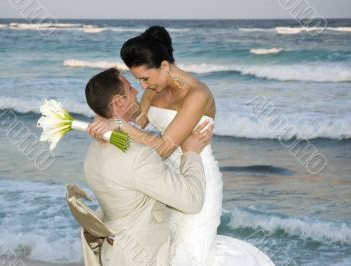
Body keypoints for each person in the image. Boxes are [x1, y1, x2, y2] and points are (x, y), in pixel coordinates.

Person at [87, 26, 275, 266]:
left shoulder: (197, 94)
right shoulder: (156, 88)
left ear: (164, 66)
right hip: (165, 182)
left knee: (193, 254)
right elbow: (133, 119)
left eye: (145, 78)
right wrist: (103, 120)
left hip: (198, 179)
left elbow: (164, 148)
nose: (142, 86)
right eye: (137, 81)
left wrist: (118, 127)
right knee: (171, 252)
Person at [83, 68, 213, 266]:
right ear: (119, 102)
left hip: (115, 252)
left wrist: (118, 123)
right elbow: (192, 201)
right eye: (130, 88)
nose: (136, 91)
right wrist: (191, 153)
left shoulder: (93, 150)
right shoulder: (138, 157)